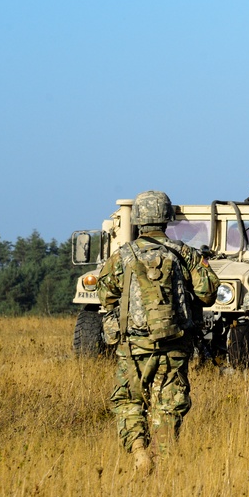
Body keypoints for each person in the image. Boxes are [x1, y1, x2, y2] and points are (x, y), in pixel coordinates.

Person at [97, 190, 219, 474]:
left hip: (133, 346)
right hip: (174, 345)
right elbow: (208, 293)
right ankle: (161, 461)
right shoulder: (183, 253)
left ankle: (139, 450)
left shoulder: (122, 256)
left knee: (129, 400)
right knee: (170, 404)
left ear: (139, 220)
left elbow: (105, 296)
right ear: (168, 219)